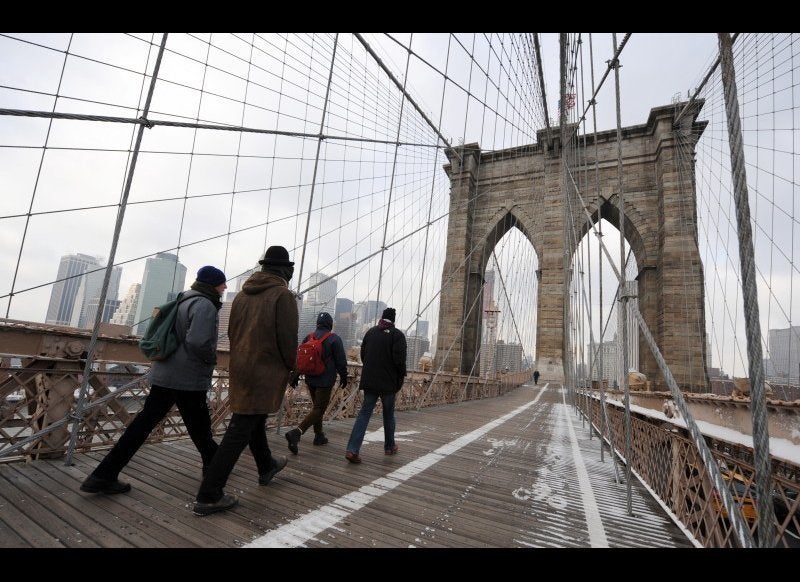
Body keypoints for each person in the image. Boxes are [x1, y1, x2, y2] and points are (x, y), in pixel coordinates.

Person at [80, 265, 228, 495]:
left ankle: (103, 473)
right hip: (186, 377)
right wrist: (211, 359)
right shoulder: (204, 304)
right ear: (213, 284)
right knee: (199, 427)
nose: (225, 287)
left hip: (166, 372)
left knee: (145, 424)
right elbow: (199, 342)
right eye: (222, 283)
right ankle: (215, 473)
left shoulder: (184, 299)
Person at [192, 246, 298, 516]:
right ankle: (209, 494)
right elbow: (287, 341)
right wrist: (291, 366)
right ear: (285, 270)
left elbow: (231, 331)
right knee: (240, 428)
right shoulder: (282, 295)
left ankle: (266, 465)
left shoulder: (240, 296)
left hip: (241, 367)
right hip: (265, 371)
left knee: (253, 419)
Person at [345, 307, 406, 464]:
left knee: (364, 413)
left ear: (382, 318)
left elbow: (364, 355)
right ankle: (389, 446)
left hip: (370, 382)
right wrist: (400, 378)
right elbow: (399, 361)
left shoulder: (370, 332)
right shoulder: (397, 335)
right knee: (388, 414)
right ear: (393, 320)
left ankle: (352, 449)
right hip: (388, 383)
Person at [285, 311, 348, 454]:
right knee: (319, 409)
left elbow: (300, 360)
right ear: (330, 325)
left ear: (317, 324)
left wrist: (295, 376)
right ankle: (297, 432)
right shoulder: (334, 339)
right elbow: (341, 362)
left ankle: (319, 436)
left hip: (310, 379)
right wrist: (344, 377)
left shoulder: (308, 337)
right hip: (325, 381)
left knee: (316, 408)